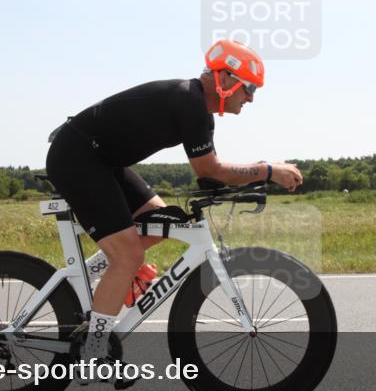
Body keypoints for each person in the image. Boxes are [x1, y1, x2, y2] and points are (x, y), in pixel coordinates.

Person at [45, 39, 304, 368]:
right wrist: (268, 171)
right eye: (249, 87)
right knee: (128, 255)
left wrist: (253, 178)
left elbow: (210, 177)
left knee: (158, 220)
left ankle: (107, 274)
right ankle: (94, 349)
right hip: (78, 157)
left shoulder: (199, 111)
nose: (251, 97)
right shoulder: (189, 100)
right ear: (224, 80)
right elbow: (211, 169)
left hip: (102, 160)